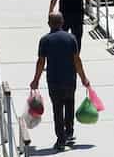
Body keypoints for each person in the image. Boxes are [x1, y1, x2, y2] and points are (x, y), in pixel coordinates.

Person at [31, 12, 91, 150]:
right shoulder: (71, 38)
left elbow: (41, 62)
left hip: (54, 80)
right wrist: (83, 78)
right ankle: (69, 132)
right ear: (62, 22)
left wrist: (36, 80)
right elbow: (77, 61)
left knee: (57, 109)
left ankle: (61, 139)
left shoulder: (45, 40)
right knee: (70, 104)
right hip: (70, 79)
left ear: (49, 24)